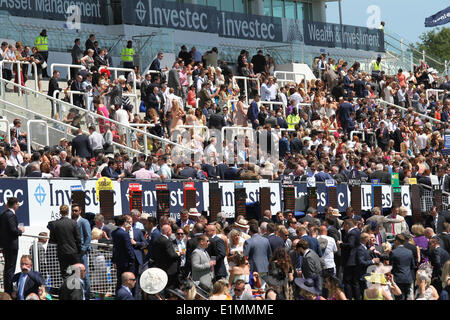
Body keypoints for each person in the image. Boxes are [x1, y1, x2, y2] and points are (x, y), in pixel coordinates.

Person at [47, 205, 81, 278]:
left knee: (64, 273)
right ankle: (74, 289)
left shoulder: (56, 224)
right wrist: (79, 250)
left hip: (62, 251)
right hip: (73, 251)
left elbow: (53, 239)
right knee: (75, 273)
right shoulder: (73, 223)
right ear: (68, 212)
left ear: (60, 212)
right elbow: (78, 238)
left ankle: (66, 288)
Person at [0, 197, 25, 294]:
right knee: (10, 269)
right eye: (17, 204)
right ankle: (9, 291)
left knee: (7, 269)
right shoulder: (11, 215)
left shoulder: (3, 214)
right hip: (11, 245)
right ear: (14, 205)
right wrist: (20, 231)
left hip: (6, 245)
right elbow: (13, 230)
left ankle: (8, 290)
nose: (18, 205)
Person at [152, 224, 180, 290]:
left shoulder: (158, 240)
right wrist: (179, 254)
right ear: (168, 231)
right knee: (170, 288)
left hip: (161, 267)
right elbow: (172, 255)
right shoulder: (167, 241)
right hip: (169, 269)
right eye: (171, 231)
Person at [111, 215, 136, 292]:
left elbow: (115, 247)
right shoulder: (124, 234)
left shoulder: (114, 233)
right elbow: (128, 248)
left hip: (119, 260)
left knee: (119, 280)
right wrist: (132, 258)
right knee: (129, 281)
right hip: (127, 262)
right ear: (125, 222)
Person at [340, 218, 361, 300]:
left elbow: (350, 245)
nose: (344, 228)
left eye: (344, 226)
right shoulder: (358, 231)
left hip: (349, 261)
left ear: (347, 225)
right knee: (355, 282)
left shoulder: (351, 233)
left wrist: (341, 244)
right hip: (356, 260)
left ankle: (348, 297)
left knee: (347, 282)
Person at [390, 234, 415, 300]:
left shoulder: (393, 252)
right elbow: (412, 265)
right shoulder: (409, 252)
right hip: (408, 277)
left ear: (397, 241)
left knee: (399, 297)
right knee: (407, 296)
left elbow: (391, 267)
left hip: (398, 278)